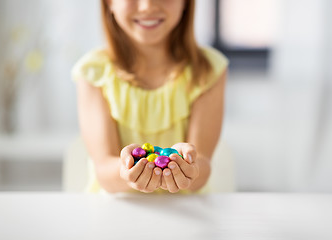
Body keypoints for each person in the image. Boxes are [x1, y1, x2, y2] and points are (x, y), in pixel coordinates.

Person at [72, 0, 228, 194]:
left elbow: (203, 165)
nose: (147, 6)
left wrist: (191, 169)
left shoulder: (208, 70)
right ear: (109, 3)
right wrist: (126, 171)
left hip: (189, 211)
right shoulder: (93, 72)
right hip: (115, 211)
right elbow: (103, 170)